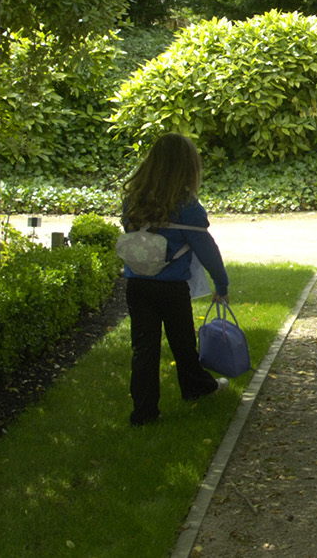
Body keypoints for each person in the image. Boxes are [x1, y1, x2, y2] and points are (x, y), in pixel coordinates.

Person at [119, 132, 230, 426]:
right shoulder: (187, 207)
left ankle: (143, 413)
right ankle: (196, 387)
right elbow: (207, 249)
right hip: (171, 286)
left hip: (137, 283)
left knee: (143, 349)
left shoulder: (134, 200)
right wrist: (221, 284)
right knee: (182, 342)